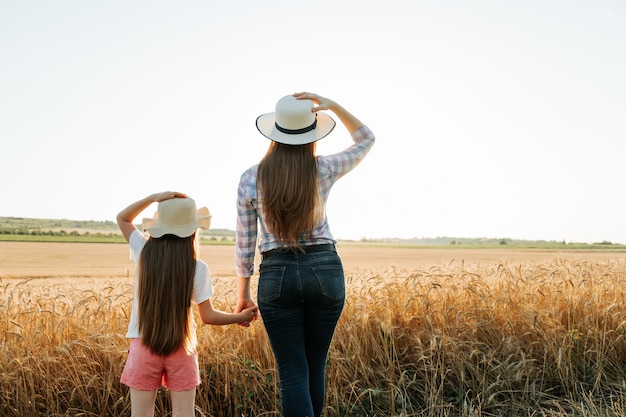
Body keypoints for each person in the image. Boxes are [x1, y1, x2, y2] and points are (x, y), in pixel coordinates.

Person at [234, 92, 375, 417]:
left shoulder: (250, 178)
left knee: (293, 372)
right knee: (315, 366)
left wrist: (243, 294)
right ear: (311, 133)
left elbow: (245, 242)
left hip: (276, 274)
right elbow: (366, 139)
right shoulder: (323, 167)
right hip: (324, 270)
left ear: (275, 133)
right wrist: (335, 106)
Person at [117, 192, 258, 417]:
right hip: (181, 347)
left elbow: (123, 218)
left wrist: (154, 198)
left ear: (158, 227)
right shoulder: (197, 268)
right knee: (185, 414)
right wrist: (241, 317)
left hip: (143, 345)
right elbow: (208, 316)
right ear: (193, 231)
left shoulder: (143, 253)